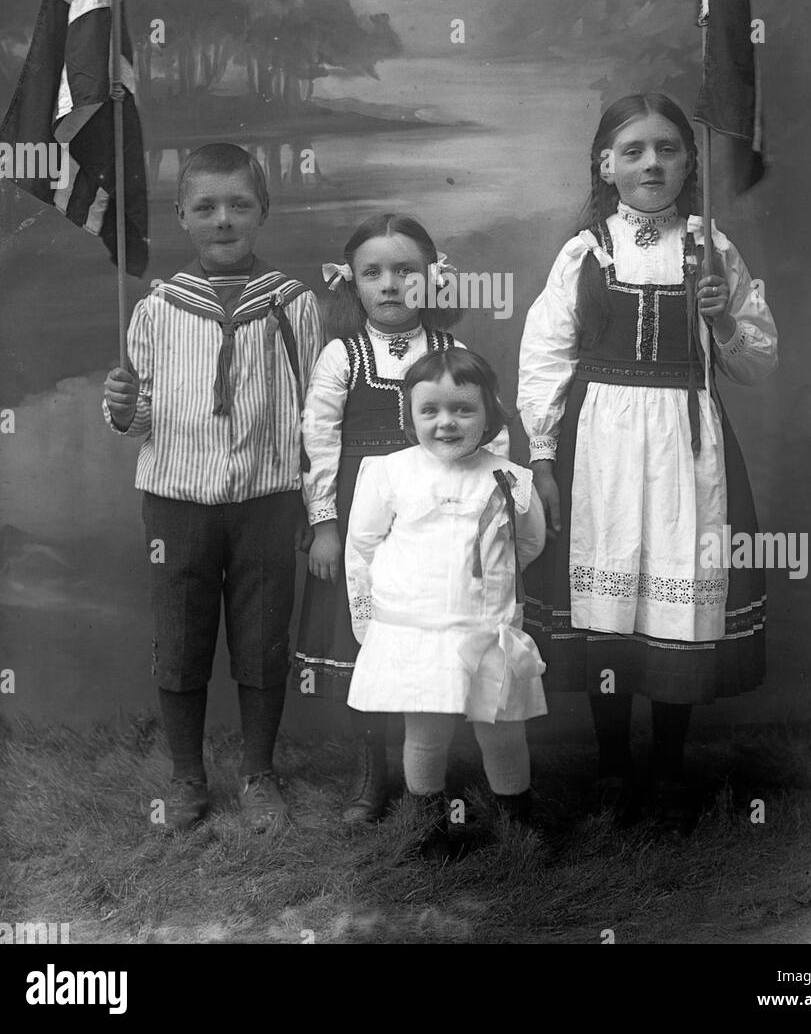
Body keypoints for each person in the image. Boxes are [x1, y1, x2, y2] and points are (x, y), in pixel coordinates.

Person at [517, 93, 778, 833]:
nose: (652, 162)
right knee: (610, 603)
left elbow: (758, 360)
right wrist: (542, 456)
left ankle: (666, 769)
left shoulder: (710, 247)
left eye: (667, 148)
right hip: (600, 446)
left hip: (686, 449)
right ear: (605, 165)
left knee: (676, 596)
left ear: (690, 161)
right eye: (632, 151)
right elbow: (544, 358)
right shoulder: (586, 250)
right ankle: (610, 767)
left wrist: (723, 312)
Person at [102, 143, 324, 832]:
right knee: (180, 637)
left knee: (262, 639)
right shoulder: (157, 309)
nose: (223, 219)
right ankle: (187, 776)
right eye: (206, 207)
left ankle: (260, 773)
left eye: (239, 205)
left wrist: (318, 508)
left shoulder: (294, 305)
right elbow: (138, 420)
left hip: (267, 498)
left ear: (263, 211)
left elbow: (317, 412)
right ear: (181, 218)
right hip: (178, 502)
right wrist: (121, 403)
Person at [295, 213, 507, 824]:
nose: (390, 284)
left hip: (433, 522)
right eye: (373, 273)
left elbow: (488, 433)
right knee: (369, 645)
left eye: (406, 271)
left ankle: (438, 769)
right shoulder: (344, 355)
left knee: (428, 636)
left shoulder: (452, 353)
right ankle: (372, 773)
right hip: (363, 522)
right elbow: (319, 440)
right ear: (352, 283)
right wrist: (325, 524)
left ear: (432, 279)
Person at [344, 348, 547, 857]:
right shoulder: (390, 473)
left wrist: (494, 590)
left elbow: (528, 544)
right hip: (419, 632)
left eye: (463, 410)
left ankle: (514, 821)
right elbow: (363, 547)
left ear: (489, 413)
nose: (446, 423)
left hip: (484, 630)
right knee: (426, 732)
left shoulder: (509, 477)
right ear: (411, 417)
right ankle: (427, 827)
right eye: (429, 411)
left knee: (500, 730)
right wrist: (370, 623)